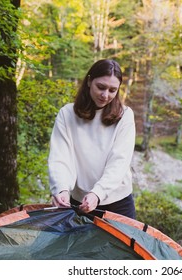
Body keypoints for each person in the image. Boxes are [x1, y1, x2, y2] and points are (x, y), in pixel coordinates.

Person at [48, 59, 136, 219]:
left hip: (117, 203)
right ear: (89, 81)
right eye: (101, 87)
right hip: (78, 202)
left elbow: (119, 161)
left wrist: (97, 193)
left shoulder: (125, 115)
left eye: (112, 90)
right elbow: (60, 158)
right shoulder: (67, 114)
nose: (105, 95)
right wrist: (61, 189)